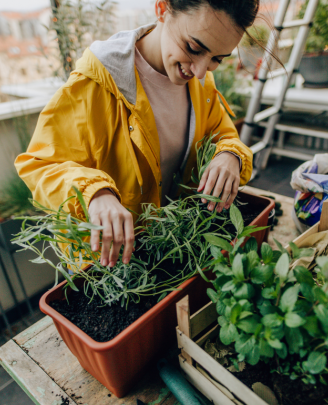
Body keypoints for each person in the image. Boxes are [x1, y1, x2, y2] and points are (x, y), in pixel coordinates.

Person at [15, 0, 274, 270]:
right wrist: (95, 193)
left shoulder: (200, 82)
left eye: (217, 59)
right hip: (112, 269)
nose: (199, 71)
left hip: (173, 252)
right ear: (162, 10)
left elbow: (223, 134)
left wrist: (231, 154)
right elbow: (40, 164)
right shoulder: (95, 83)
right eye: (194, 48)